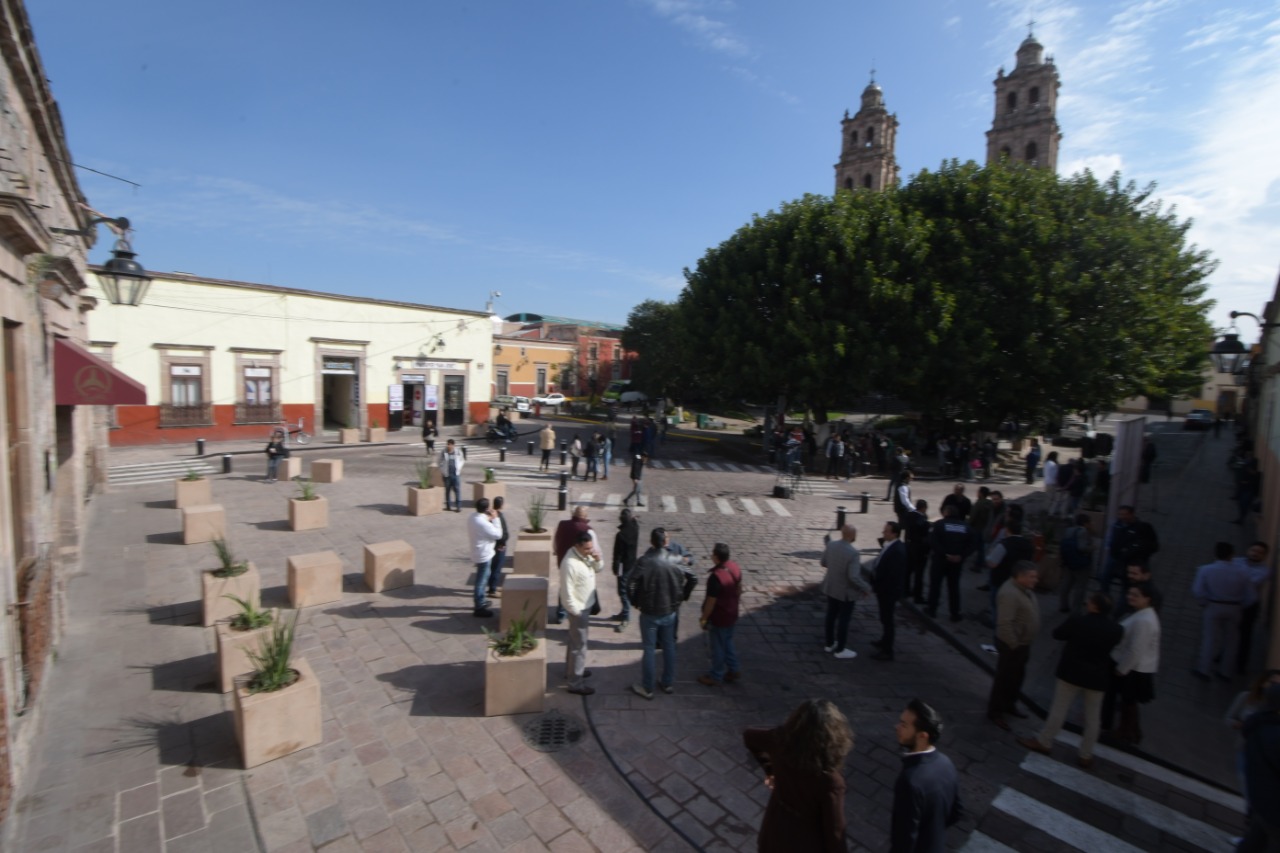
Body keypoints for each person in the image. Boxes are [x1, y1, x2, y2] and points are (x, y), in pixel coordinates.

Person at [1017, 592, 1121, 768]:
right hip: (1097, 677)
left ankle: (1045, 741)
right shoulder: (1117, 629)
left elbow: (1058, 634)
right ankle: (1086, 754)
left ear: (1094, 606)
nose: (1087, 602)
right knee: (1093, 719)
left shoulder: (1078, 621)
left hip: (1071, 673)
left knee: (1059, 709)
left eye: (1090, 600)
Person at [742, 699, 853, 853]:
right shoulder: (830, 780)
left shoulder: (779, 739)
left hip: (774, 829)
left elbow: (749, 736)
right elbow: (835, 831)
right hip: (805, 842)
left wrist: (770, 770)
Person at [891, 699, 962, 853]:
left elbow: (904, 839)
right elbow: (957, 811)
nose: (897, 728)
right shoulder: (946, 763)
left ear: (922, 736)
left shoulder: (910, 781)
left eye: (904, 725)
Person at [627, 527, 686, 699]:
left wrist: (635, 602)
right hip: (669, 610)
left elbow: (630, 583)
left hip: (650, 611)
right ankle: (667, 683)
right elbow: (692, 578)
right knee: (669, 646)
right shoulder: (675, 559)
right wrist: (680, 597)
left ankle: (647, 687)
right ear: (665, 542)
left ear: (652, 542)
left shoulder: (645, 560)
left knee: (649, 648)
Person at [1103, 581, 1160, 745]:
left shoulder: (1145, 620)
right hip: (1134, 667)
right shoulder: (1141, 614)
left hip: (1134, 669)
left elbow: (1136, 649)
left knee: (1129, 701)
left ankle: (1126, 732)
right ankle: (1131, 731)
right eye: (1130, 594)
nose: (1131, 597)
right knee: (1129, 702)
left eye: (1136, 595)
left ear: (1147, 599)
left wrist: (1122, 669)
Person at [987, 561, 1040, 730]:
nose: (1035, 580)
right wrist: (1014, 644)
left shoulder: (1025, 590)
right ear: (1021, 576)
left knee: (1016, 677)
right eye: (1032, 576)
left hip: (1023, 644)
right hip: (1012, 645)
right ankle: (995, 711)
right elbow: (1004, 624)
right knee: (1004, 679)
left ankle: (1010, 704)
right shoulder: (1009, 593)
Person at [1192, 541, 1255, 681]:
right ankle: (1225, 672)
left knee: (1209, 638)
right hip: (1234, 607)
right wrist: (1240, 605)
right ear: (1232, 555)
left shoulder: (1205, 570)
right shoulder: (1243, 572)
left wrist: (1204, 603)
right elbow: (1251, 596)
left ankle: (1204, 669)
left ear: (1215, 554)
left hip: (1214, 605)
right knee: (1232, 640)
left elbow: (1198, 591)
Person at [1238, 683, 1280, 852]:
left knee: (1254, 842)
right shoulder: (1274, 735)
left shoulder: (1257, 725)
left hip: (1261, 802)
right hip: (1275, 810)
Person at [559, 531, 602, 696]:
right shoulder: (570, 564)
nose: (590, 551)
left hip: (586, 605)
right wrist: (576, 612)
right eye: (587, 548)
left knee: (574, 642)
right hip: (579, 610)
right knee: (580, 646)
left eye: (591, 548)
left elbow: (598, 568)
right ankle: (575, 682)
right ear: (577, 546)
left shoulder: (584, 555)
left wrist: (597, 560)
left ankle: (573, 670)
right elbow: (567, 592)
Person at [821, 525, 870, 660]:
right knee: (844, 619)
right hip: (845, 592)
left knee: (831, 615)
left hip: (831, 587)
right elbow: (853, 576)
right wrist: (865, 587)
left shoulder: (831, 545)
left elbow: (823, 562)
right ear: (853, 536)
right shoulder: (853, 553)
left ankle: (829, 643)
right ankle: (840, 649)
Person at [697, 542, 743, 686]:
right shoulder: (735, 567)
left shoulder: (716, 577)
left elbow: (711, 602)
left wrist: (704, 619)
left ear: (716, 557)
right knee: (727, 641)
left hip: (720, 616)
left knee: (717, 646)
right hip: (732, 613)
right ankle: (734, 668)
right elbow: (739, 588)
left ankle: (716, 675)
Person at [926, 503, 973, 623]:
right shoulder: (966, 527)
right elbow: (972, 545)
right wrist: (961, 556)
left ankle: (932, 609)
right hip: (956, 562)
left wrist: (945, 554)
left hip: (940, 560)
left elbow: (932, 542)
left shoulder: (939, 524)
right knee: (954, 587)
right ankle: (955, 613)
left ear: (946, 513)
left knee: (935, 585)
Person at [551, 506, 597, 625]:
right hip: (579, 562)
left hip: (562, 560)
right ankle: (573, 610)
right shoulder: (587, 529)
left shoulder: (563, 524)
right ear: (585, 516)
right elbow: (592, 549)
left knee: (564, 585)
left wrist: (556, 551)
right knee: (576, 587)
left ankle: (561, 613)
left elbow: (556, 540)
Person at [872, 521, 908, 662]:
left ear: (894, 534)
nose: (883, 533)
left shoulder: (898, 551)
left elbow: (892, 575)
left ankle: (888, 650)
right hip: (884, 590)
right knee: (884, 618)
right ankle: (884, 641)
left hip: (888, 591)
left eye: (886, 531)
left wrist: (879, 584)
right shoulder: (890, 545)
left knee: (888, 620)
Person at [1104, 505, 1159, 590]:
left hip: (1130, 561)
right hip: (1114, 557)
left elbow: (1152, 545)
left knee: (1127, 586)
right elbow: (1111, 536)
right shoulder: (1117, 524)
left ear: (1132, 514)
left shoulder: (1141, 528)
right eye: (1120, 514)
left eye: (1125, 514)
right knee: (1105, 578)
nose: (1122, 517)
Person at [1237, 542, 1272, 675]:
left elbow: (1250, 582)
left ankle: (1241, 664)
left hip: (1249, 606)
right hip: (1234, 602)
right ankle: (1223, 655)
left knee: (1245, 636)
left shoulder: (1264, 571)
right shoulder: (1237, 561)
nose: (1255, 553)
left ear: (1264, 556)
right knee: (1230, 631)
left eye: (1259, 552)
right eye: (1253, 550)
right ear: (1248, 550)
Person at [466, 497, 504, 617]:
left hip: (478, 551)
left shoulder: (472, 517)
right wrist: (496, 518)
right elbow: (498, 534)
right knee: (481, 581)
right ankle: (479, 606)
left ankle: (481, 600)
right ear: (487, 508)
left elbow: (483, 521)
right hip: (484, 554)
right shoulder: (483, 523)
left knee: (482, 577)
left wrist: (489, 518)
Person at [1057, 513, 1095, 614]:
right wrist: (1092, 548)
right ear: (1085, 523)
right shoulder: (1083, 531)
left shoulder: (1069, 530)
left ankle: (1063, 605)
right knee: (1080, 587)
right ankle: (1076, 610)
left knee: (1066, 584)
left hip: (1069, 561)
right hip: (1081, 563)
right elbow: (1082, 547)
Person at [610, 507, 639, 631]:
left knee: (622, 591)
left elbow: (618, 554)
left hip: (623, 565)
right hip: (632, 563)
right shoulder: (635, 528)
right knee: (625, 588)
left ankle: (626, 617)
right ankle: (623, 613)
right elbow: (634, 522)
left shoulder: (621, 535)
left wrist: (615, 567)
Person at [903, 499, 931, 604]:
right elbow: (925, 536)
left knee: (908, 570)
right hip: (919, 549)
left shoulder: (908, 516)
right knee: (919, 573)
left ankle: (905, 591)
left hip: (909, 545)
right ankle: (917, 596)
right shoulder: (923, 520)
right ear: (923, 508)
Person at [487, 495, 509, 599]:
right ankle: (492, 589)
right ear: (501, 505)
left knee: (495, 567)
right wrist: (502, 543)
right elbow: (500, 533)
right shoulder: (497, 516)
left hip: (496, 545)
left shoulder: (491, 514)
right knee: (496, 567)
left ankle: (493, 586)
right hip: (499, 546)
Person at [440, 438, 465, 512]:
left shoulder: (458, 452)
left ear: (453, 445)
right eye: (448, 444)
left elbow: (462, 460)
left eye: (450, 444)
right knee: (447, 491)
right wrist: (442, 471)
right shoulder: (443, 452)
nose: (448, 446)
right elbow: (439, 462)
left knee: (457, 490)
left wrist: (459, 468)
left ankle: (458, 507)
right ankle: (448, 506)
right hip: (447, 475)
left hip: (455, 474)